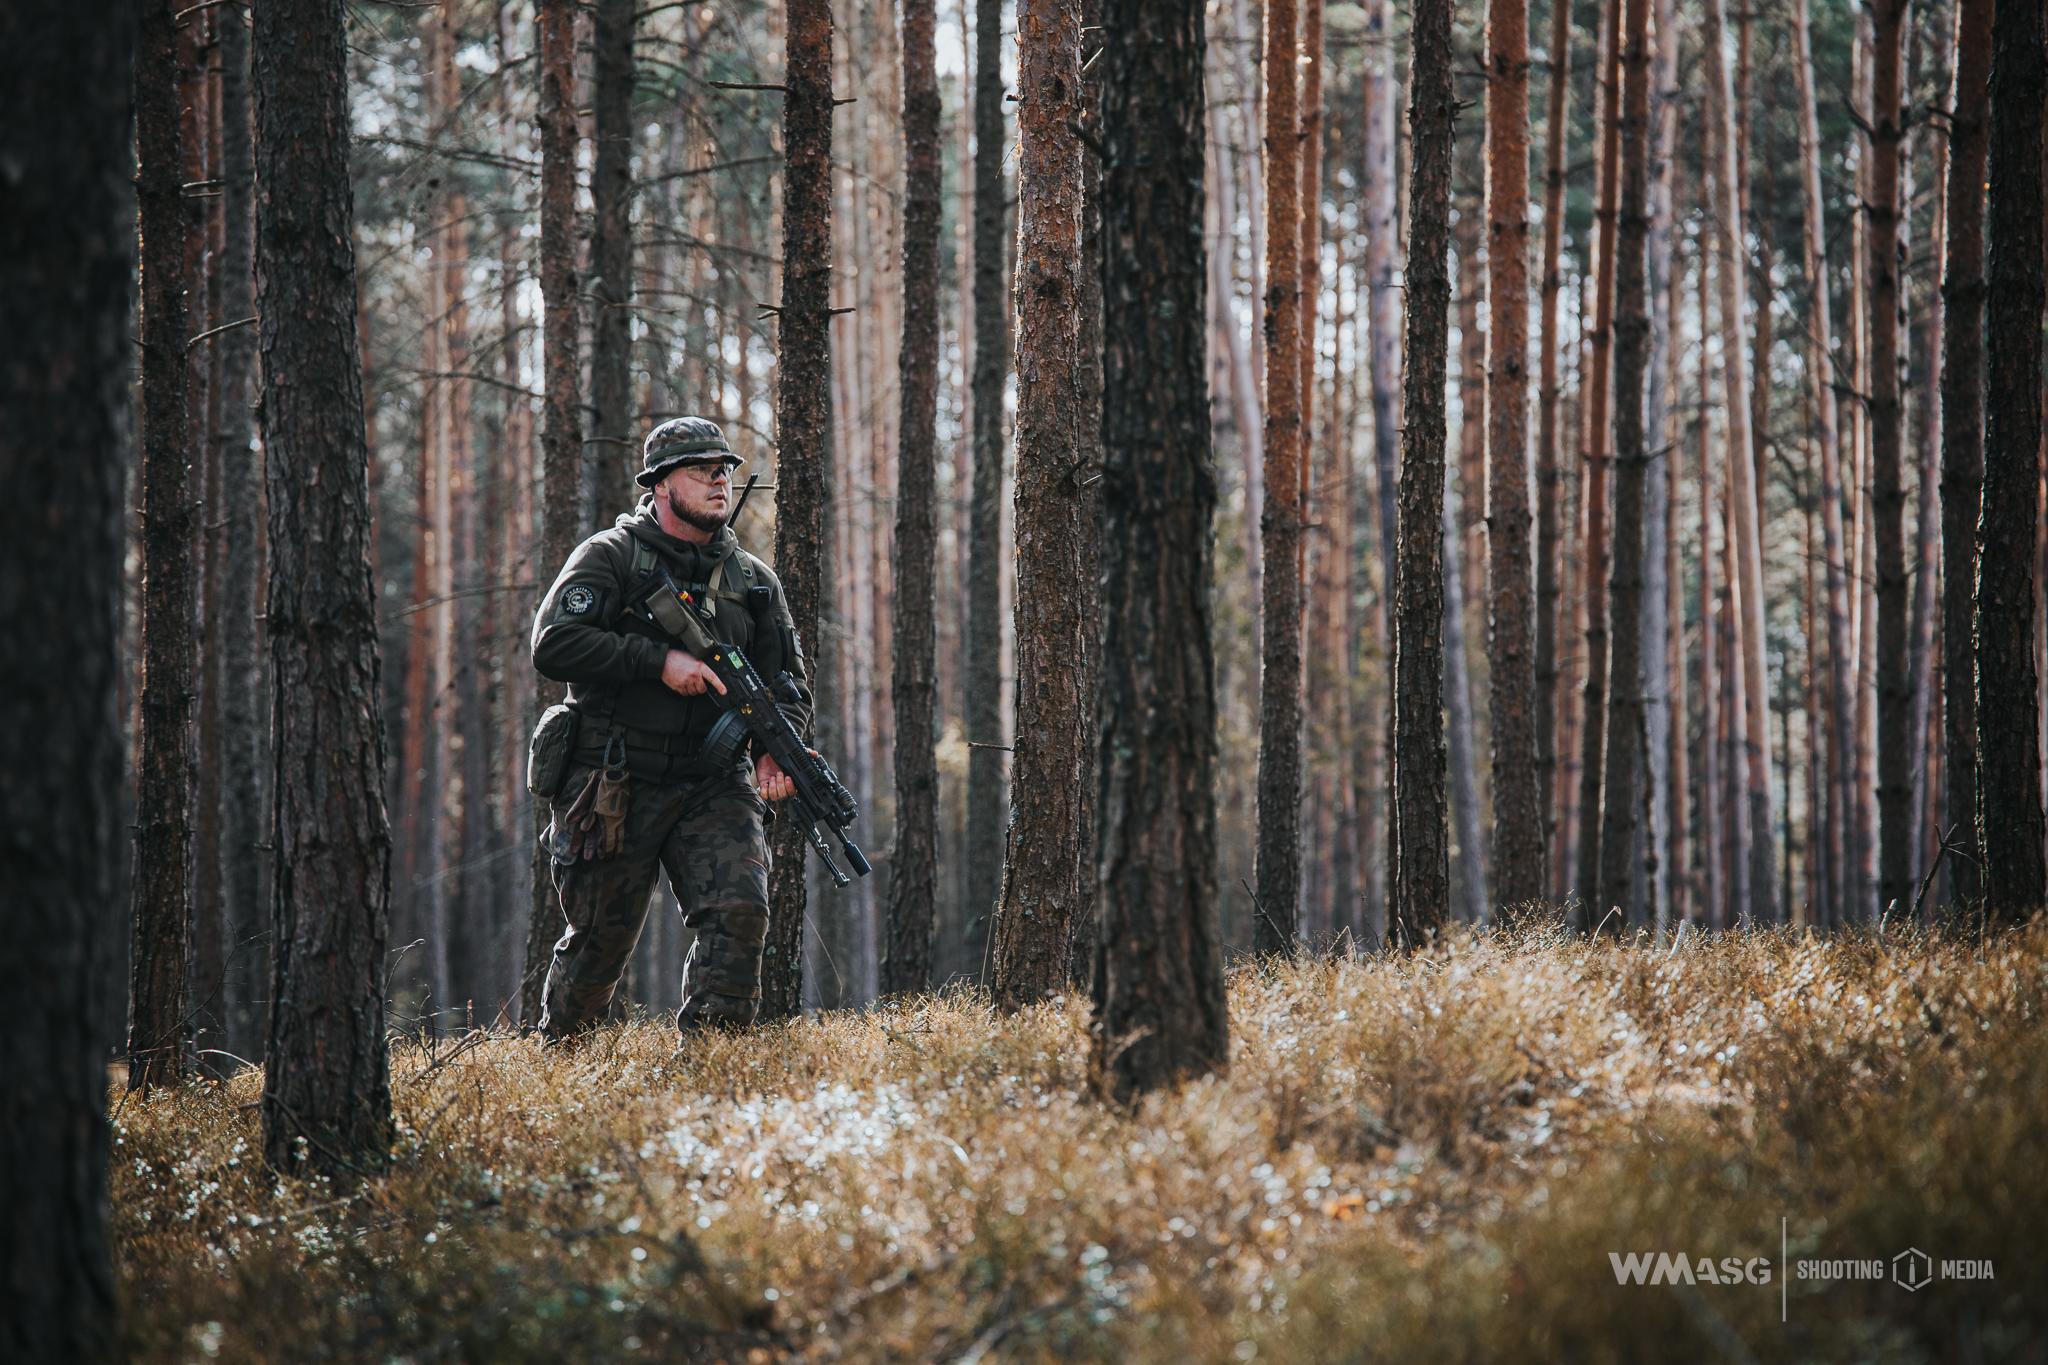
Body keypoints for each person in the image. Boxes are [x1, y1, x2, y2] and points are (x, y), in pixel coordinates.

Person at [530, 415, 811, 1038]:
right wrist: (658, 662)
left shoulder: (752, 581)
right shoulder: (610, 558)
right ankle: (560, 1065)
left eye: (725, 471)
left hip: (712, 781)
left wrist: (774, 753)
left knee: (741, 911)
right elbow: (553, 645)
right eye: (701, 471)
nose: (719, 481)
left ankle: (711, 1067)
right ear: (660, 486)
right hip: (613, 777)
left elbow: (786, 685)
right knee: (600, 941)